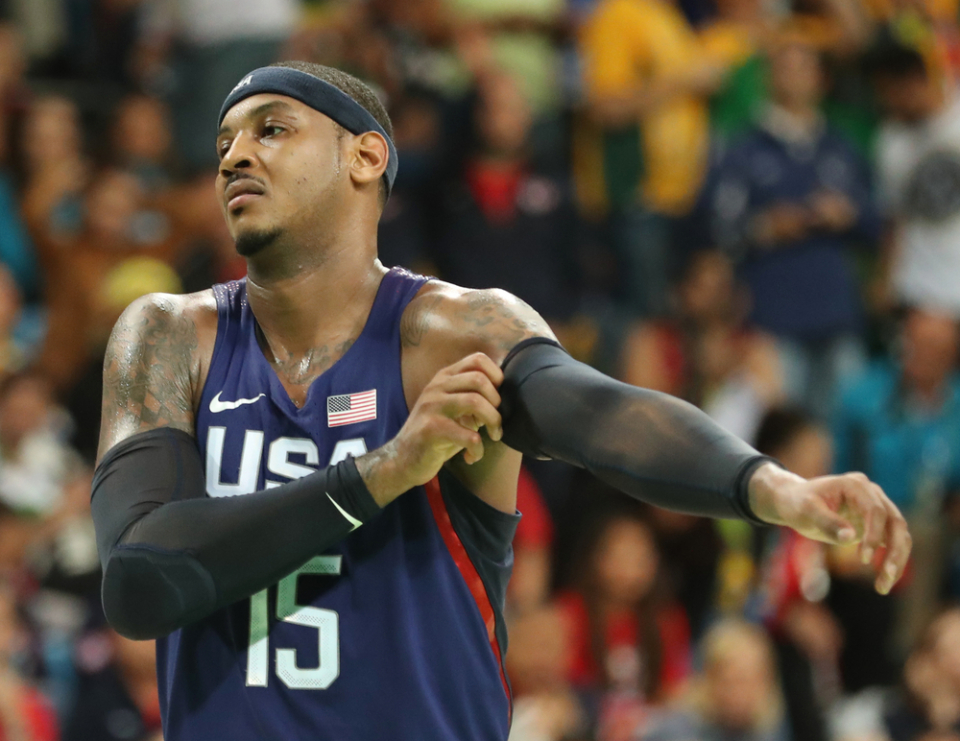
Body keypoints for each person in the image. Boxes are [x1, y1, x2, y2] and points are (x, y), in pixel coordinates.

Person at [89, 61, 911, 740]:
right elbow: (138, 577)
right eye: (225, 141)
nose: (235, 155)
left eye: (272, 129)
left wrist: (774, 486)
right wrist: (383, 471)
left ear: (366, 157)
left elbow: (602, 415)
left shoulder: (453, 331)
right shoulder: (168, 335)